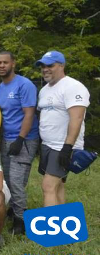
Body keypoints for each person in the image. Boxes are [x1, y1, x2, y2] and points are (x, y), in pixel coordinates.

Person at [35, 51, 90, 207]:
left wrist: (68, 147)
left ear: (62, 65)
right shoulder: (44, 90)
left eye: (50, 65)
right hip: (48, 145)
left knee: (48, 186)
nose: (45, 69)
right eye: (43, 66)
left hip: (62, 146)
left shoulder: (73, 86)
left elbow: (77, 118)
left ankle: (50, 230)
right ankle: (62, 229)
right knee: (58, 187)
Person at [0, 51, 39, 234]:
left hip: (25, 139)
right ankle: (14, 208)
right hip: (6, 139)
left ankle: (21, 221)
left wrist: (20, 139)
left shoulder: (25, 84)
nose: (2, 66)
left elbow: (29, 113)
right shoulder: (0, 88)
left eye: (5, 62)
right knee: (7, 178)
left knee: (16, 181)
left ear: (13, 63)